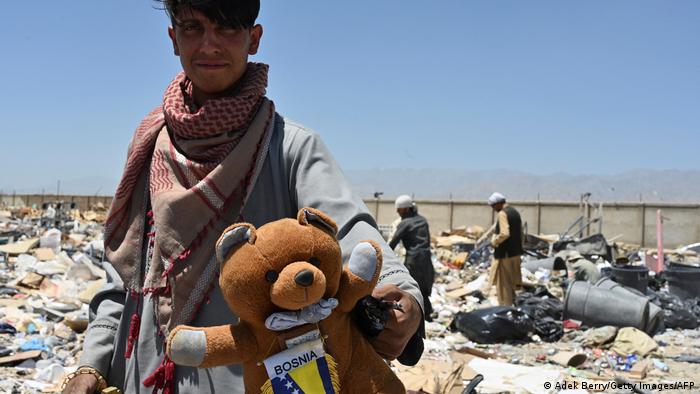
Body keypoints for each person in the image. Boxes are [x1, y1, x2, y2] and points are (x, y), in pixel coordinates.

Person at [62, 1, 423, 393]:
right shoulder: (150, 146)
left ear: (254, 39)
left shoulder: (288, 148)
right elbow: (125, 274)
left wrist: (402, 296)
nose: (209, 44)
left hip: (250, 376)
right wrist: (92, 364)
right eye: (193, 27)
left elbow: (350, 232)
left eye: (228, 28)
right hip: (144, 373)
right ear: (173, 39)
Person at [389, 195, 434, 322]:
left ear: (406, 209)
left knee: (411, 288)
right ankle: (427, 313)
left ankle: (413, 316)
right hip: (426, 259)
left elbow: (393, 243)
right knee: (424, 288)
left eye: (399, 210)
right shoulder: (423, 220)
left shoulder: (404, 223)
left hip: (413, 260)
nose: (398, 212)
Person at [487, 192, 523, 306]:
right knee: (513, 282)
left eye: (493, 206)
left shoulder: (502, 214)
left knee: (504, 284)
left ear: (498, 204)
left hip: (505, 254)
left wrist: (494, 241)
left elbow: (504, 233)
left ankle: (505, 308)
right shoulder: (515, 212)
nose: (493, 209)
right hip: (516, 253)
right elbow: (521, 233)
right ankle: (515, 305)